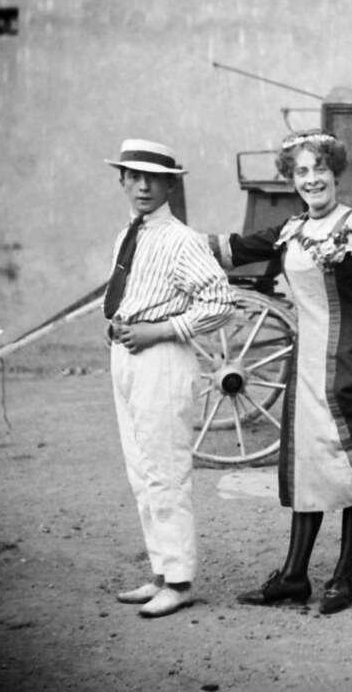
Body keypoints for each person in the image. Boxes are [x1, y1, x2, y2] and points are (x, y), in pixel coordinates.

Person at [209, 129, 352, 616]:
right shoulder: (289, 231)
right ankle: (292, 576)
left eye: (319, 170)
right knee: (307, 466)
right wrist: (167, 240)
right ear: (292, 180)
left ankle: (344, 575)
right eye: (301, 172)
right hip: (305, 370)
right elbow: (233, 249)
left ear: (335, 172)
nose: (312, 180)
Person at [104, 138, 234, 618]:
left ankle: (179, 581)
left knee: (166, 470)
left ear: (168, 184)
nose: (142, 185)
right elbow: (131, 294)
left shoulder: (181, 240)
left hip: (163, 358)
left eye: (152, 178)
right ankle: (160, 572)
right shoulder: (129, 235)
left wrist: (159, 329)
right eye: (133, 176)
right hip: (128, 357)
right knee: (141, 472)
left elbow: (220, 302)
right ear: (121, 180)